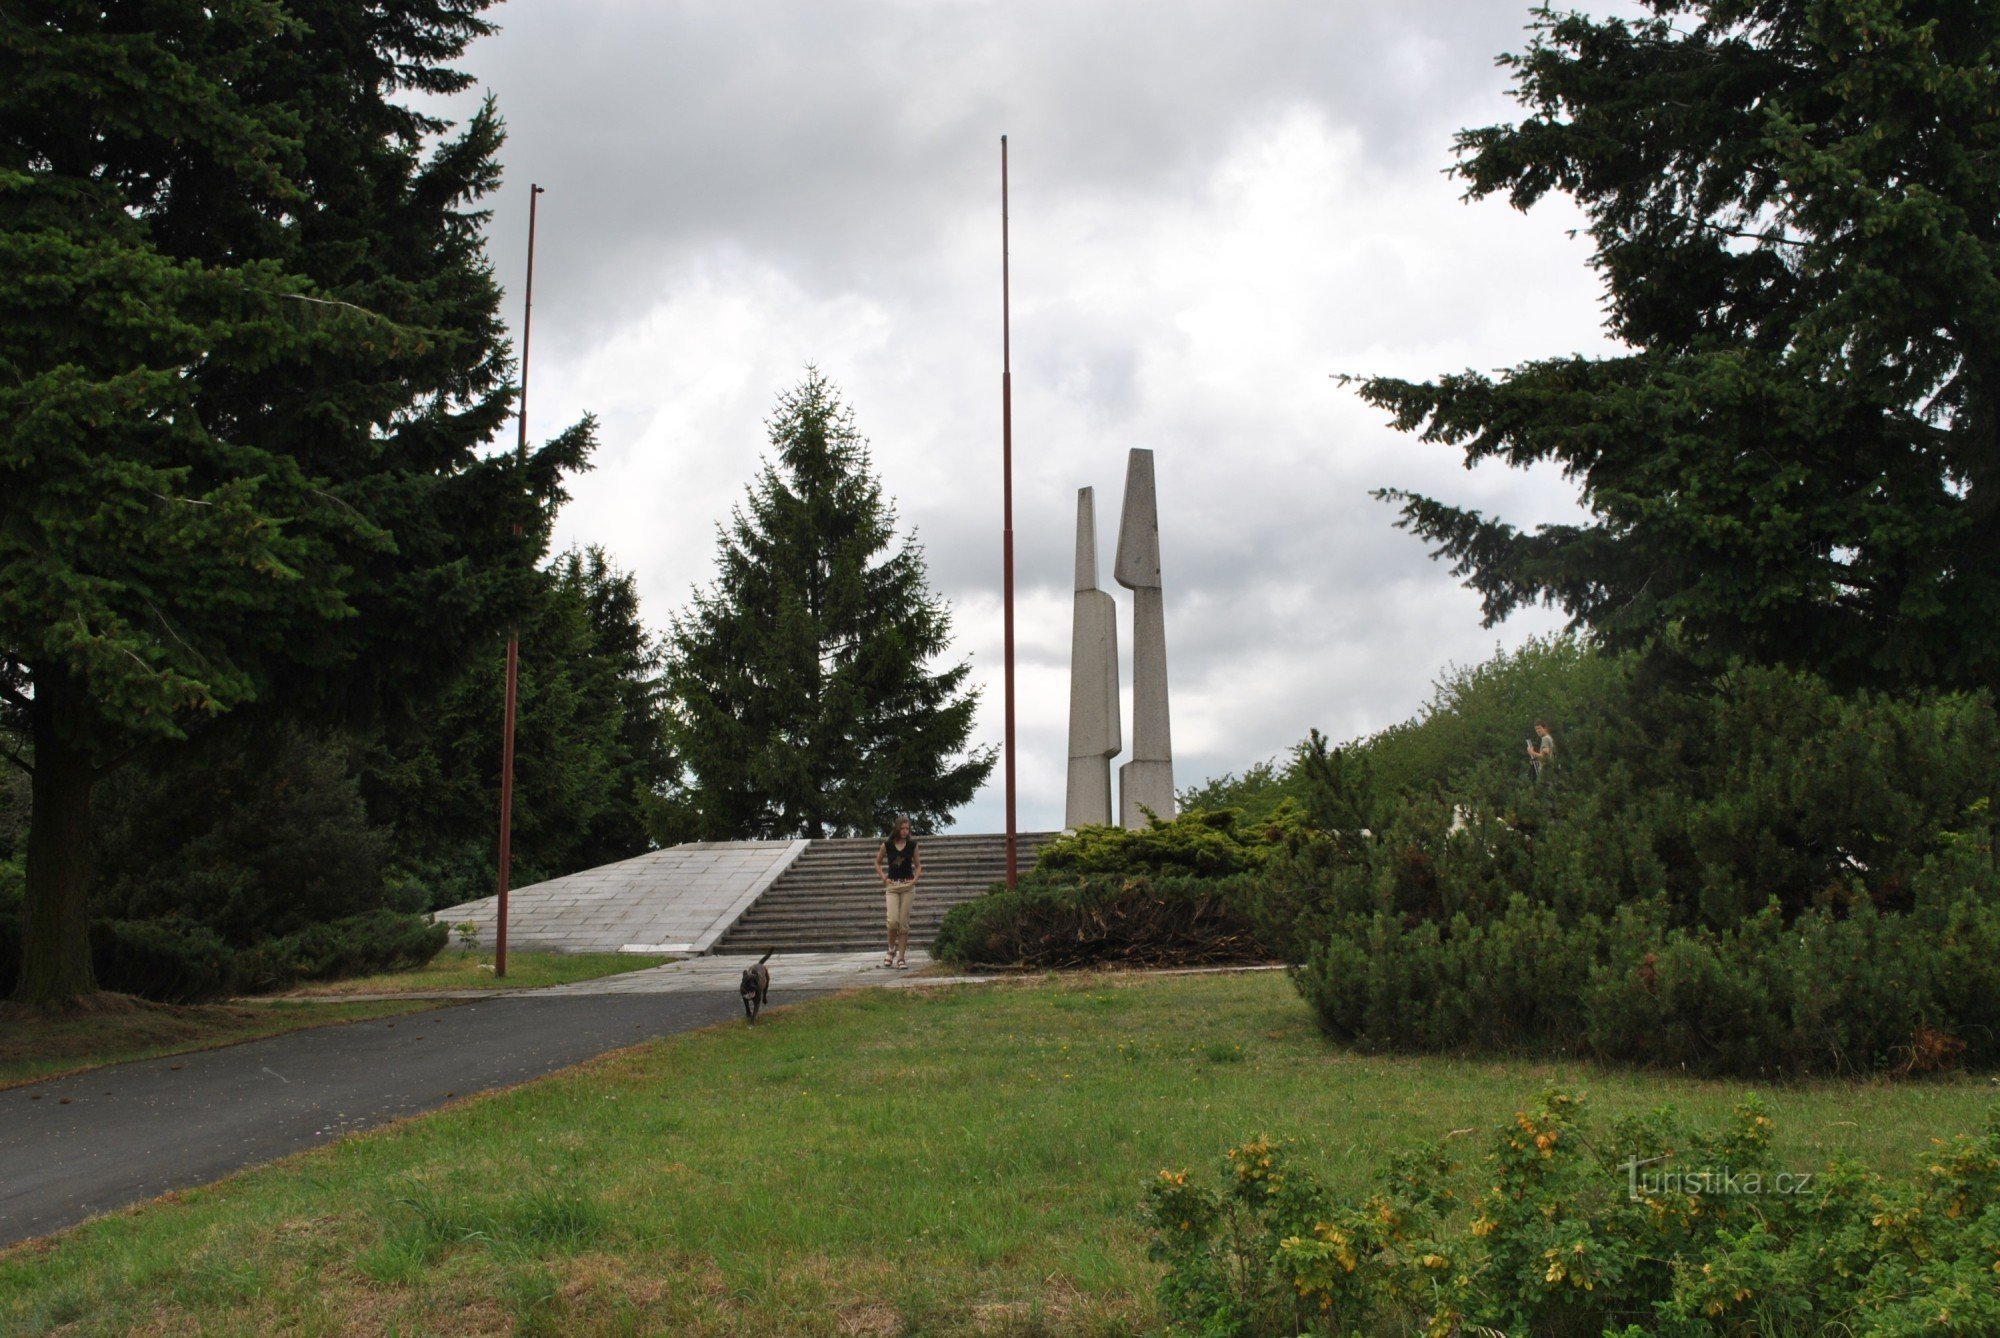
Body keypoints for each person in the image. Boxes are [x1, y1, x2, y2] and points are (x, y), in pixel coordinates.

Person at [874, 815, 922, 969]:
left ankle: (901, 958)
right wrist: (884, 878)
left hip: (907, 886)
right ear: (897, 828)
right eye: (902, 828)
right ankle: (890, 949)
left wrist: (914, 880)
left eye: (907, 829)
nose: (905, 831)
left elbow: (918, 865)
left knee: (903, 924)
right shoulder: (887, 845)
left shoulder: (912, 845)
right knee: (892, 921)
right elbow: (877, 862)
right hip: (892, 886)